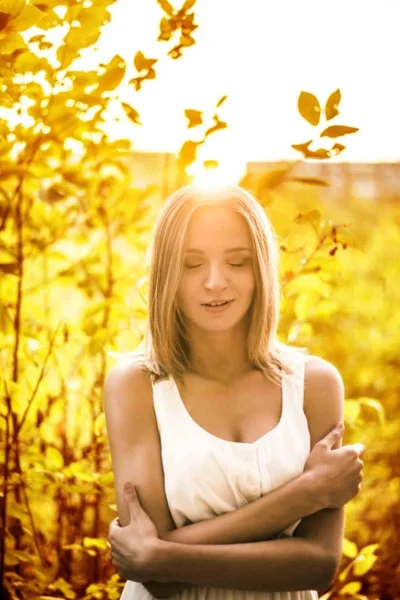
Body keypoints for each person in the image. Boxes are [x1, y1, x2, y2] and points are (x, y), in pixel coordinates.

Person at [104, 183, 365, 600]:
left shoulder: (314, 386)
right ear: (167, 273)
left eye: (237, 262)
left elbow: (317, 565)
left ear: (260, 267)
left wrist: (163, 554)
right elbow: (154, 580)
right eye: (191, 264)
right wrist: (305, 495)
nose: (214, 282)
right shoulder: (136, 385)